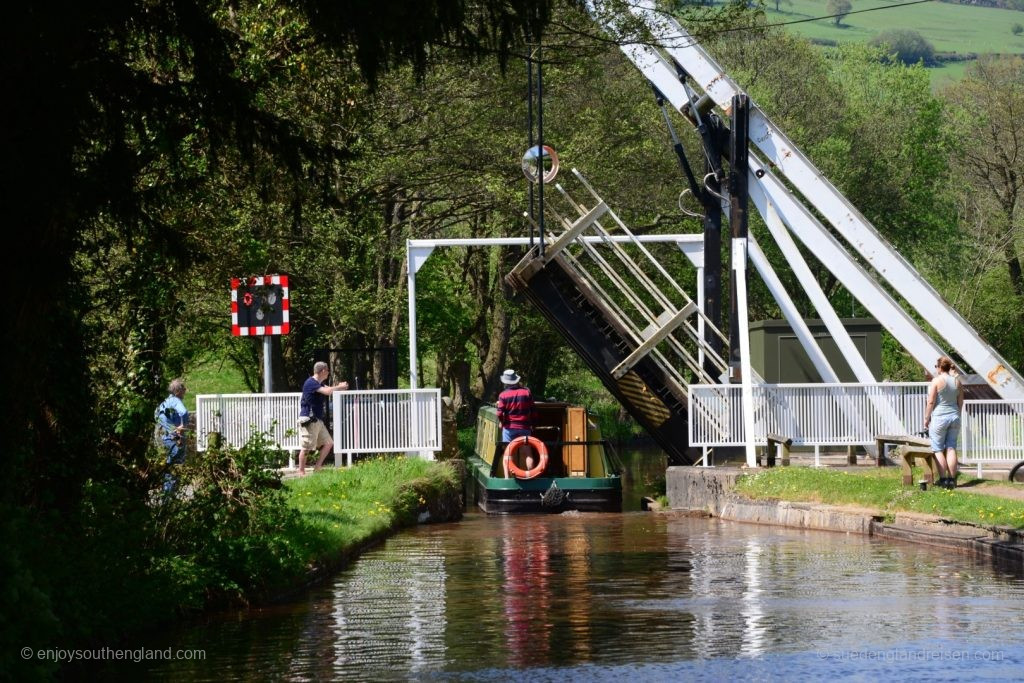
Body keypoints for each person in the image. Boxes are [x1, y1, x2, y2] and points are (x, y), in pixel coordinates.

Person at [297, 362, 348, 475]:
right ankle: (301, 472)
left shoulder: (318, 383)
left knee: (329, 443)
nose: (328, 372)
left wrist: (340, 387)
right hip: (309, 420)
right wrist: (339, 387)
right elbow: (327, 391)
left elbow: (329, 388)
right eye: (328, 370)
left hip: (317, 420)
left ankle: (317, 468)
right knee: (306, 448)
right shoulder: (311, 382)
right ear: (323, 371)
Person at [924, 356, 964, 489]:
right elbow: (960, 402)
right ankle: (952, 480)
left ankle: (943, 480)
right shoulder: (957, 382)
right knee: (951, 447)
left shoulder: (936, 381)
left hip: (940, 417)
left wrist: (926, 418)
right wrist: (957, 413)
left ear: (940, 367)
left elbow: (931, 402)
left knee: (938, 449)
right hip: (954, 416)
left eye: (936, 367)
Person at [496, 369, 537, 474]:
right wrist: (532, 423)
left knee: (509, 453)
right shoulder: (526, 393)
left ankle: (507, 478)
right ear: (516, 380)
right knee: (527, 453)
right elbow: (533, 410)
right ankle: (531, 476)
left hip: (509, 428)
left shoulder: (503, 395)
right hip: (524, 427)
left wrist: (502, 422)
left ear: (505, 382)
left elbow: (500, 413)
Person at [155, 378, 190, 493]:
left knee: (170, 466)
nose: (185, 392)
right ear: (178, 391)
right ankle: (171, 496)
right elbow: (184, 412)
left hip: (166, 438)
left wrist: (170, 428)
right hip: (176, 438)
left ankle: (167, 495)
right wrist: (181, 426)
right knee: (176, 467)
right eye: (183, 389)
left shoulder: (165, 402)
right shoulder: (175, 400)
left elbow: (157, 417)